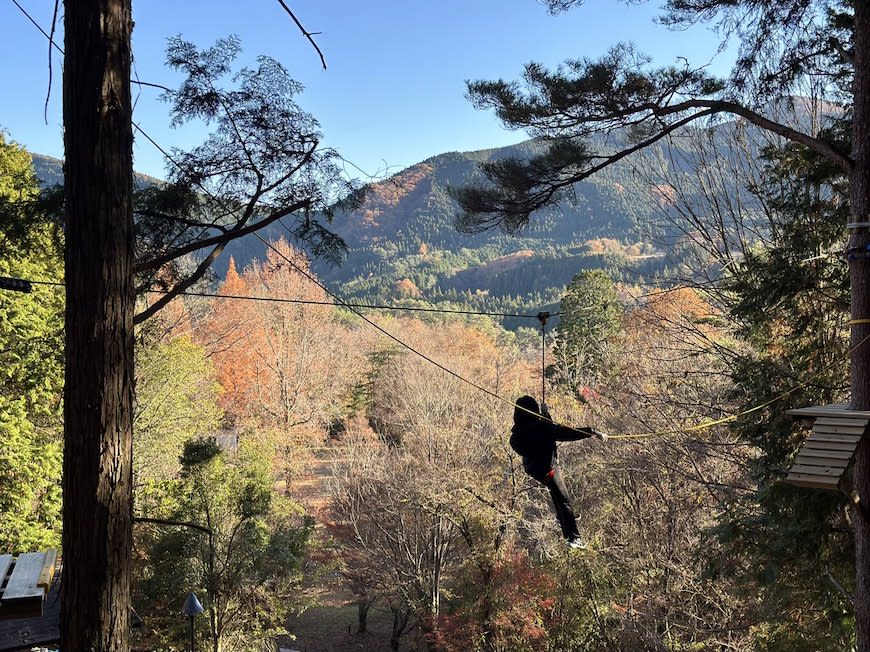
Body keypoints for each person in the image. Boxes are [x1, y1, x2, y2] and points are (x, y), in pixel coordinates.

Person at [509, 395, 607, 549]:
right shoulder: (541, 428)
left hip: (535, 470)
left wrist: (545, 416)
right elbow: (565, 432)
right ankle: (573, 537)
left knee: (559, 496)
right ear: (534, 410)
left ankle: (564, 517)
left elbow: (546, 431)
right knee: (564, 500)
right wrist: (592, 432)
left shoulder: (516, 435)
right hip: (549, 469)